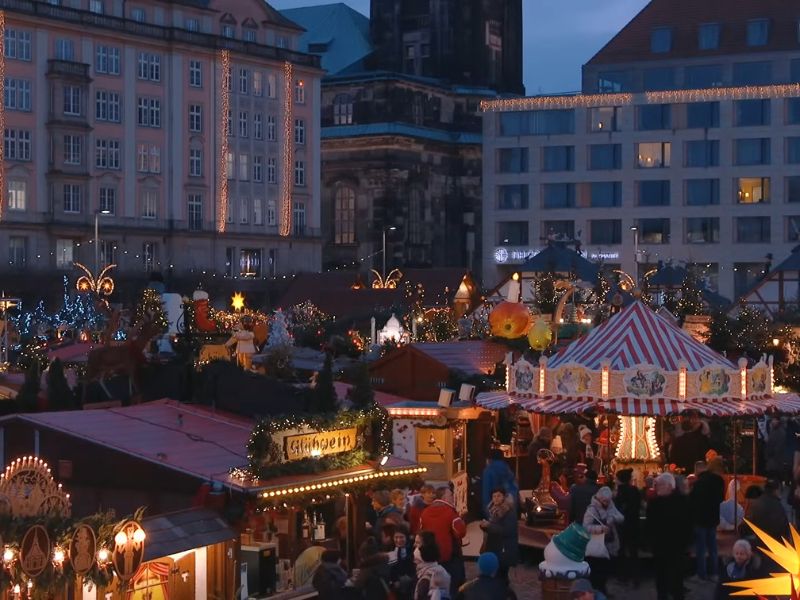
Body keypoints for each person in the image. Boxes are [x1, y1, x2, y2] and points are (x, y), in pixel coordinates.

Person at [646, 472, 693, 600]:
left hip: (676, 548)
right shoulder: (654, 503)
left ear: (669, 486)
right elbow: (649, 526)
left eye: (660, 485)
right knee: (662, 580)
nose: (657, 487)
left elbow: (688, 525)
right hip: (661, 548)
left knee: (676, 579)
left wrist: (685, 543)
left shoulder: (682, 502)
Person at [420, 487, 467, 594]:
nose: (452, 497)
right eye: (450, 495)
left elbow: (421, 532)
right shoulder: (450, 512)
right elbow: (461, 532)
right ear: (444, 497)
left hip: (431, 558)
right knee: (452, 587)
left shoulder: (425, 512)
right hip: (449, 558)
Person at [742, 479, 790, 571]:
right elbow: (785, 528)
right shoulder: (778, 506)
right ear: (776, 490)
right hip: (776, 545)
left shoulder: (757, 503)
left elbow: (748, 525)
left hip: (760, 544)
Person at [582, 486, 624, 594]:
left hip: (608, 544)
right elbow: (586, 527)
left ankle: (602, 592)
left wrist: (612, 518)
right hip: (596, 545)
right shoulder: (592, 509)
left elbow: (621, 517)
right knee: (596, 572)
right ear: (599, 498)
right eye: (604, 501)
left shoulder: (610, 505)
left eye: (608, 501)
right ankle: (595, 593)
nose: (606, 503)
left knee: (604, 571)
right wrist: (600, 528)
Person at [690, 460, 725, 581]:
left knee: (701, 548)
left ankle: (701, 574)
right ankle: (714, 573)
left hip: (700, 519)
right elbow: (721, 499)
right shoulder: (719, 482)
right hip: (713, 518)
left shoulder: (699, 482)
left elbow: (693, 500)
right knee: (713, 547)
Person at [481, 488, 519, 579]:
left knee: (502, 572)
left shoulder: (509, 511)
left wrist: (489, 526)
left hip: (504, 546)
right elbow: (493, 527)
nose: (496, 498)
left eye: (499, 496)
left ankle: (503, 589)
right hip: (495, 545)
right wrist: (484, 526)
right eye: (494, 496)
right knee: (497, 572)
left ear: (503, 497)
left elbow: (508, 530)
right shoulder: (492, 509)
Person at [614, 468, 642, 585]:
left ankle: (623, 576)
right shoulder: (635, 490)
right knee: (633, 551)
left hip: (622, 525)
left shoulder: (619, 492)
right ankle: (636, 577)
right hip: (634, 524)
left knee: (622, 550)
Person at [482, 449, 519, 514]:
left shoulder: (488, 471)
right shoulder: (507, 469)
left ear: (490, 459)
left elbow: (486, 492)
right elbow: (514, 487)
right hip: (509, 506)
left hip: (495, 508)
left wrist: (487, 511)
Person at [389, 529, 416, 600]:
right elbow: (391, 568)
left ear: (406, 538)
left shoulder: (412, 550)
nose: (398, 540)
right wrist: (395, 580)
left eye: (401, 537)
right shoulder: (390, 549)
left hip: (410, 583)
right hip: (395, 584)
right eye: (396, 537)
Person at [765, 418, 789, 482]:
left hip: (775, 460)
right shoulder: (775, 431)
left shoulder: (779, 432)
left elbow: (776, 446)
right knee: (776, 478)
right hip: (776, 460)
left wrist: (769, 454)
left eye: (774, 420)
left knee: (774, 478)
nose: (772, 422)